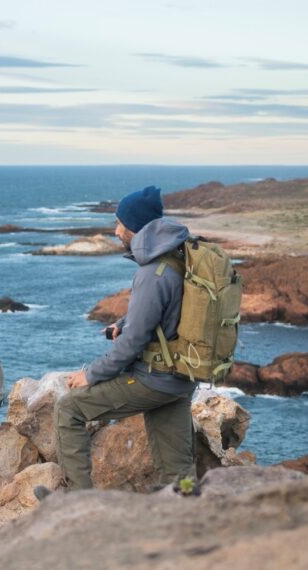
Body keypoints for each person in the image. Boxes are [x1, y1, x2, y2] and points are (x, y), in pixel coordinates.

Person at [53, 186, 197, 490]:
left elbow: (132, 344)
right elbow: (167, 313)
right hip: (182, 376)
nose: (116, 230)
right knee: (178, 470)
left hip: (155, 379)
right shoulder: (178, 255)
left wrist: (91, 375)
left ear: (136, 227)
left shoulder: (152, 272)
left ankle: (79, 502)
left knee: (69, 409)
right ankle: (189, 513)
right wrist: (125, 321)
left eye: (121, 223)